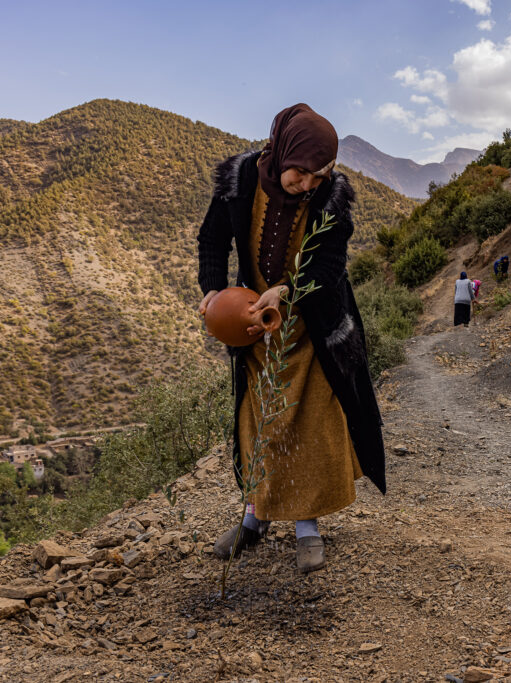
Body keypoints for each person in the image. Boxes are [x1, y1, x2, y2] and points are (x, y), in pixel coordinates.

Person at [197, 103, 385, 573]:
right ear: (281, 154)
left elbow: (328, 268)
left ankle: (307, 527)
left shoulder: (332, 200)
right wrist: (214, 289)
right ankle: (255, 519)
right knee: (259, 418)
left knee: (311, 422)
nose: (306, 185)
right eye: (299, 173)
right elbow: (212, 239)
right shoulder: (240, 180)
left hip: (314, 324)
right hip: (254, 325)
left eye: (316, 176)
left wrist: (287, 291)